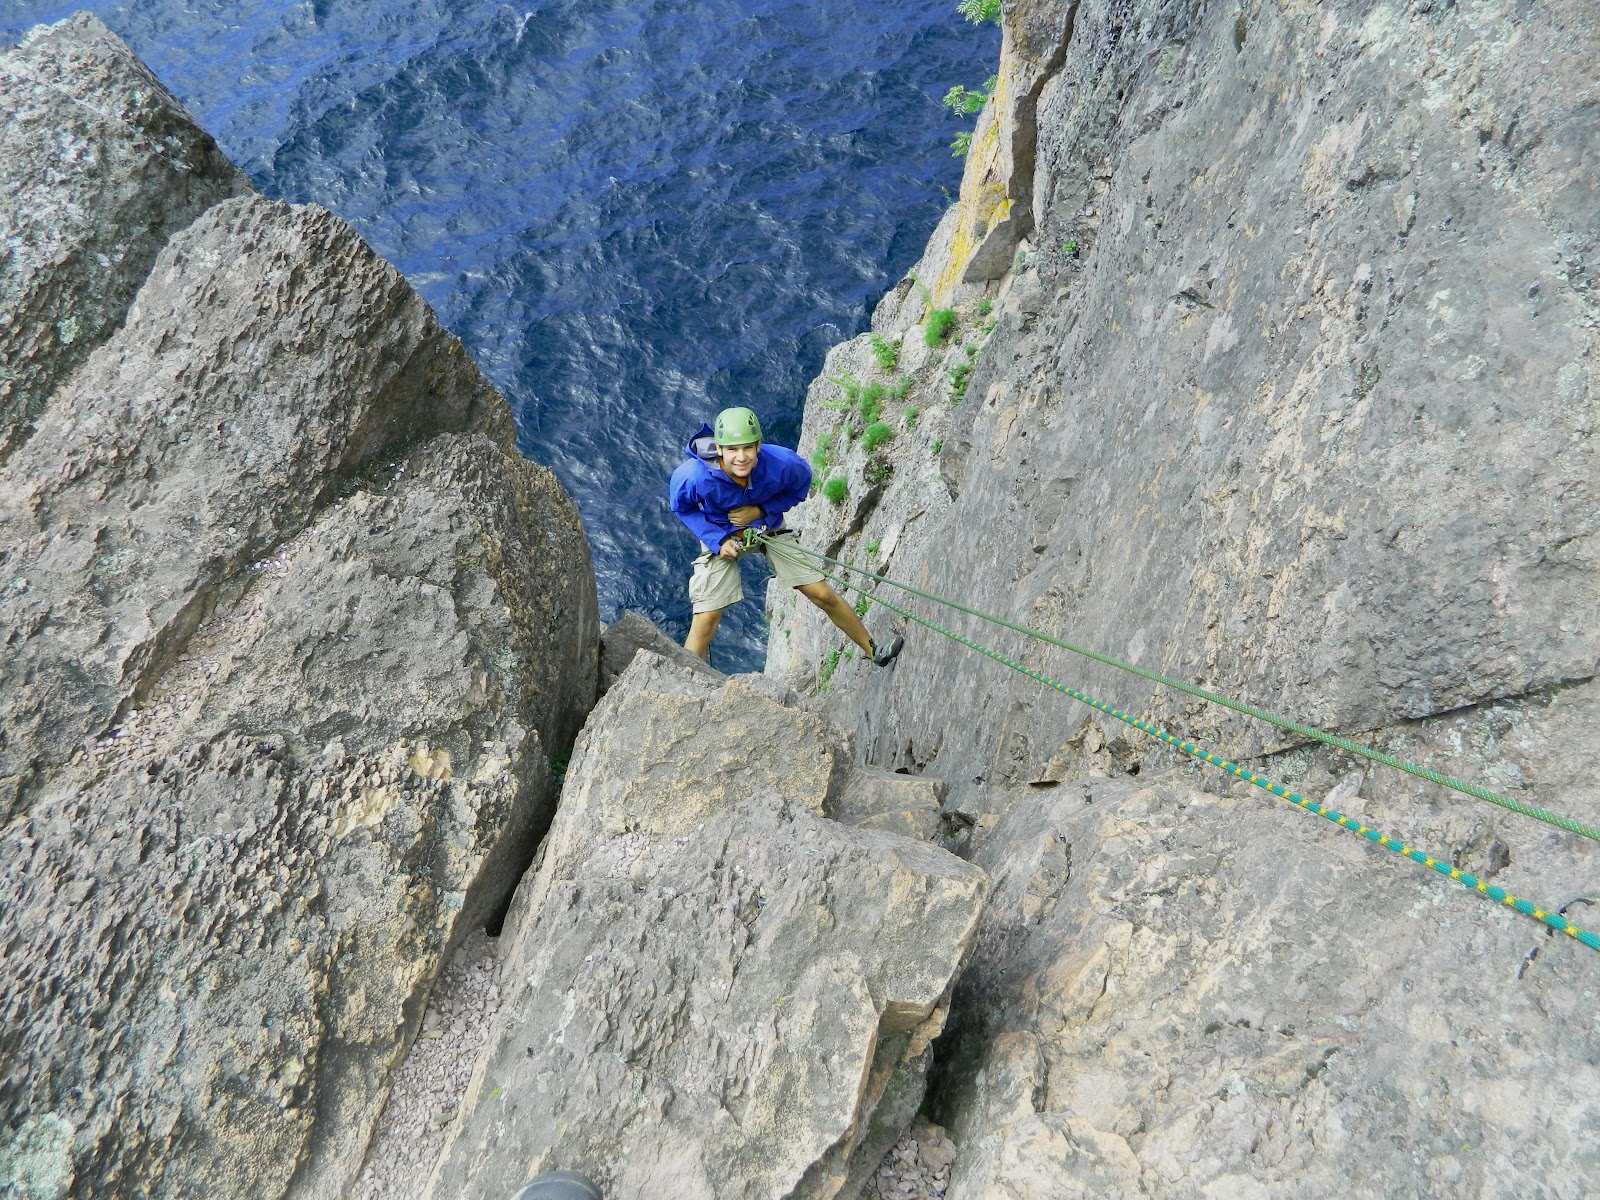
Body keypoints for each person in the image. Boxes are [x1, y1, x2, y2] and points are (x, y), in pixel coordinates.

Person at [668, 406, 904, 667]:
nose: (741, 457)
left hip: (767, 527)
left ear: (759, 445)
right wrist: (718, 540)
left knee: (822, 594)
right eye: (733, 449)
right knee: (706, 617)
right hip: (721, 534)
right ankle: (687, 682)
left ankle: (874, 651)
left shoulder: (784, 463)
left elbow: (799, 489)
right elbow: (682, 507)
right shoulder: (693, 476)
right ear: (719, 448)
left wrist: (760, 510)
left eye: (748, 448)